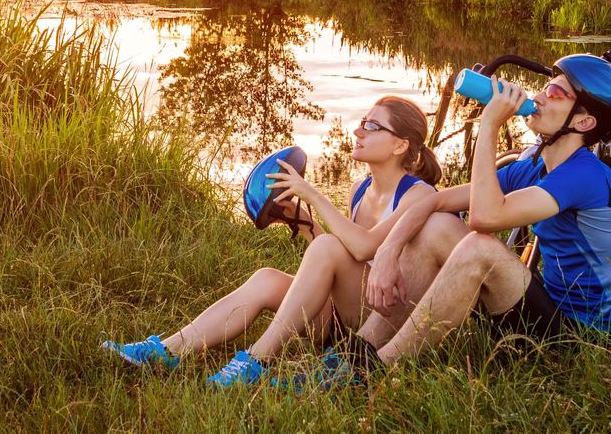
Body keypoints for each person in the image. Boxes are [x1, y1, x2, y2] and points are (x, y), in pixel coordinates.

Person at [318, 55, 611, 386]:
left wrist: (489, 125)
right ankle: (357, 351)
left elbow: (484, 218)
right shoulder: (534, 168)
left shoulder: (585, 175)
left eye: (555, 92)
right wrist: (388, 250)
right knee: (436, 224)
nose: (539, 96)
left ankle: (373, 371)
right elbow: (435, 200)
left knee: (479, 248)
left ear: (583, 123)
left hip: (589, 341)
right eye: (544, 87)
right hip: (551, 310)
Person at [101, 95, 442, 386]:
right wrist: (303, 220)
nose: (358, 130)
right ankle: (167, 350)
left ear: (400, 145)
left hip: (379, 320)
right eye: (363, 121)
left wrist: (312, 193)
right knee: (267, 277)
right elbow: (340, 260)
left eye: (372, 126)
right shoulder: (359, 190)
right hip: (342, 315)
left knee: (328, 246)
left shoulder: (418, 194)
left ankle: (255, 362)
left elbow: (365, 247)